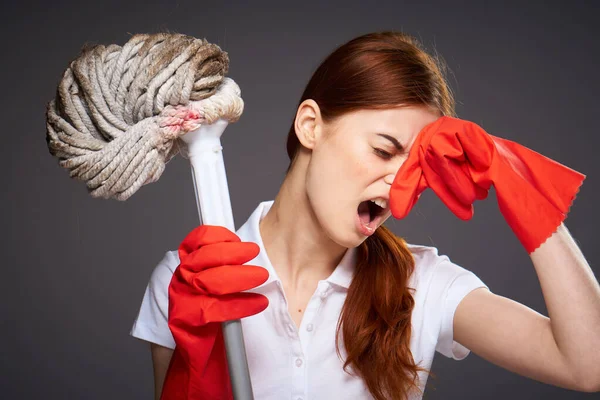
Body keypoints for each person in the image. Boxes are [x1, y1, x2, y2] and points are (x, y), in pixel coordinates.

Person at [130, 31, 599, 399]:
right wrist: (195, 361)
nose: (400, 187)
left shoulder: (424, 284)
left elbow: (588, 364)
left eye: (417, 167)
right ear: (310, 126)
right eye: (383, 149)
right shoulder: (186, 280)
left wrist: (527, 196)